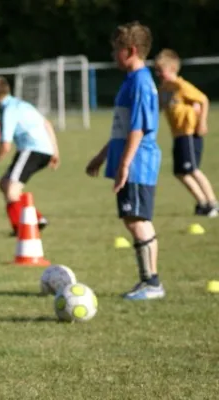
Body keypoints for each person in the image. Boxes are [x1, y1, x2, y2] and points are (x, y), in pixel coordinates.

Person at [86, 21, 164, 300]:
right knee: (133, 218)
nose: (112, 54)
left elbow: (137, 129)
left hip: (139, 162)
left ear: (130, 50)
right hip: (131, 160)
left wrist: (124, 165)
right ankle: (149, 281)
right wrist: (102, 155)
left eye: (116, 49)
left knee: (137, 219)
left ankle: (152, 282)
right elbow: (122, 128)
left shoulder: (141, 82)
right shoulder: (131, 81)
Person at [0, 76, 60, 235]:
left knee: (11, 190)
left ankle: (22, 229)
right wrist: (55, 151)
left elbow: (5, 146)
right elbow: (47, 124)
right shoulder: (21, 104)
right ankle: (37, 219)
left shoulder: (7, 110)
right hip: (41, 149)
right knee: (4, 183)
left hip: (32, 149)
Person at [154, 49, 218, 217]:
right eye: (157, 70)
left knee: (193, 169)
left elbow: (203, 99)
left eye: (161, 70)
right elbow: (160, 107)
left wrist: (202, 122)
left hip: (189, 133)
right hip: (178, 135)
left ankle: (212, 203)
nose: (158, 73)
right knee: (180, 172)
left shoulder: (181, 86)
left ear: (173, 69)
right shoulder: (164, 89)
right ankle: (202, 203)